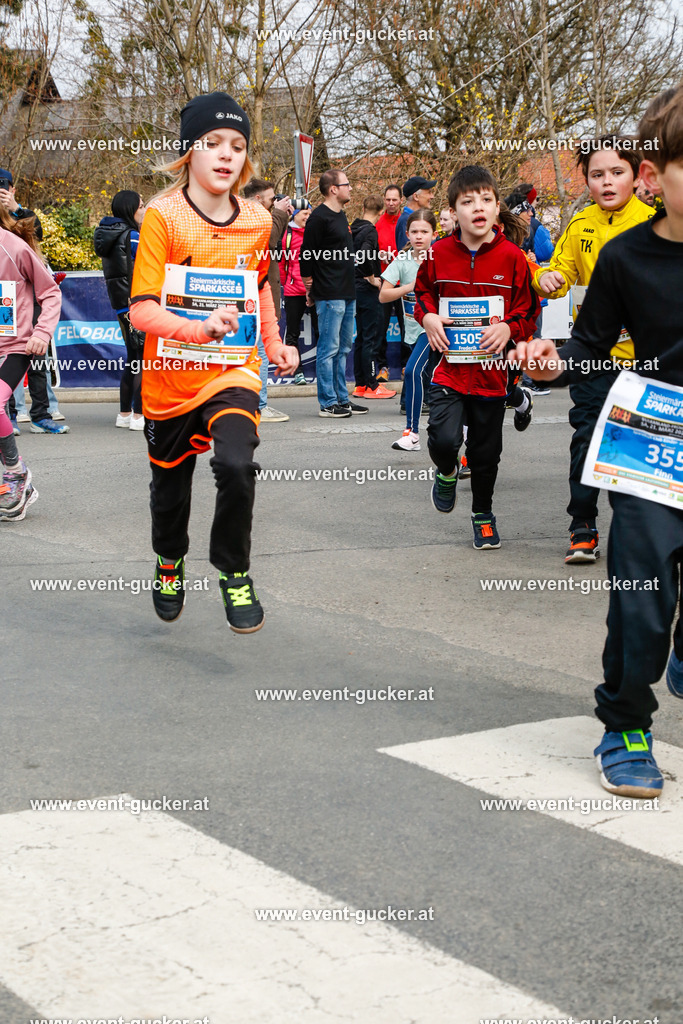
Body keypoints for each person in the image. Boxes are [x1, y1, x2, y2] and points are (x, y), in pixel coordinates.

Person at [511, 85, 683, 798]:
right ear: (653, 175)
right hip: (650, 440)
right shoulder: (624, 257)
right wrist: (550, 363)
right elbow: (588, 345)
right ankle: (625, 725)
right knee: (641, 597)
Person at [128, 91, 298, 632]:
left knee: (236, 465)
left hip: (233, 371)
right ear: (189, 153)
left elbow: (260, 288)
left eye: (237, 145)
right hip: (170, 378)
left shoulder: (258, 220)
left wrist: (274, 343)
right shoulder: (163, 217)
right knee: (169, 491)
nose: (226, 154)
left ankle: (234, 571)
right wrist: (198, 328)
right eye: (212, 142)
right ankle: (169, 562)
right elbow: (141, 311)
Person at [532, 135, 653, 564]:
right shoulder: (580, 223)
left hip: (645, 362)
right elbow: (557, 272)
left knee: (636, 443)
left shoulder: (656, 222)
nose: (607, 182)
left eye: (617, 172)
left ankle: (638, 532)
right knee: (587, 435)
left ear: (636, 176)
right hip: (592, 357)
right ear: (585, 180)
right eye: (597, 174)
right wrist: (546, 279)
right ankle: (582, 525)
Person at [415, 165, 540, 549]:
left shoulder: (513, 257)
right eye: (468, 202)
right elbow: (423, 294)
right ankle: (446, 471)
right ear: (453, 211)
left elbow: (529, 311)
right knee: (443, 440)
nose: (478, 207)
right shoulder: (437, 254)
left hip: (492, 374)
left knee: (486, 455)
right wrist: (428, 316)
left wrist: (510, 329)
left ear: (497, 206)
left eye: (486, 199)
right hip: (448, 370)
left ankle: (483, 515)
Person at [0, 205, 62, 520]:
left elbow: (50, 293)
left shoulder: (12, 247)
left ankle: (16, 473)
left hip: (16, 346)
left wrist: (42, 332)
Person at [0, 168, 69, 433]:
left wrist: (14, 208)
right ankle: (9, 416)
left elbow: (35, 233)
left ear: (13, 188)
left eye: (4, 186)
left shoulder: (21, 222)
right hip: (7, 302)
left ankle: (41, 413)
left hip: (24, 302)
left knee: (37, 358)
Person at [300, 169, 366, 417]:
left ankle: (341, 399)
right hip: (329, 293)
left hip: (347, 292)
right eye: (347, 184)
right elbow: (306, 255)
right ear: (333, 189)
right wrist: (310, 287)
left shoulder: (341, 215)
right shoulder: (318, 218)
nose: (351, 188)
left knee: (343, 349)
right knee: (328, 349)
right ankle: (327, 403)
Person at [381, 209, 437, 451]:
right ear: (407, 234)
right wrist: (410, 287)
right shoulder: (402, 261)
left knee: (414, 371)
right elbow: (383, 295)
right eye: (414, 231)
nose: (419, 236)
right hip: (414, 330)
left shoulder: (441, 258)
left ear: (434, 234)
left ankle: (412, 433)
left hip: (437, 329)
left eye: (424, 231)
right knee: (429, 380)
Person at [94, 190, 146, 430]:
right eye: (141, 206)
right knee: (144, 361)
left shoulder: (109, 235)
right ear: (130, 209)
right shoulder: (133, 236)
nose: (144, 210)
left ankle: (125, 413)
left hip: (121, 305)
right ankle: (139, 415)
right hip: (138, 303)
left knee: (133, 359)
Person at [242, 176, 292, 422]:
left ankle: (253, 403)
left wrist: (282, 217)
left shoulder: (259, 216)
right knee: (260, 350)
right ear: (258, 198)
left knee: (257, 349)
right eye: (272, 199)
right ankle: (259, 405)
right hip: (253, 292)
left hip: (259, 290)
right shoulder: (250, 218)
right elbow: (267, 240)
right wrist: (279, 215)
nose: (275, 202)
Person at [351, 195, 396, 400]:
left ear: (363, 208)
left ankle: (360, 384)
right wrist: (371, 277)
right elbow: (363, 256)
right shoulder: (370, 231)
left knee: (361, 337)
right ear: (380, 213)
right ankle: (371, 385)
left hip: (354, 288)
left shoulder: (353, 228)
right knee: (370, 337)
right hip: (367, 290)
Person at [280, 198, 316, 385]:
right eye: (304, 213)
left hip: (316, 290)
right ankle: (298, 371)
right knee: (292, 333)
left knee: (321, 331)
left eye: (310, 213)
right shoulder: (287, 235)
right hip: (294, 291)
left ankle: (323, 371)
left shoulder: (315, 233)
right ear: (295, 215)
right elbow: (281, 263)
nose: (308, 217)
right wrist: (287, 282)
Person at [376, 184, 405, 381]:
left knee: (407, 326)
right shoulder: (378, 224)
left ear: (401, 200)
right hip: (384, 282)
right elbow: (370, 251)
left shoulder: (406, 222)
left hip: (404, 283)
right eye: (388, 199)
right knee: (381, 327)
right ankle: (382, 367)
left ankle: (406, 365)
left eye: (395, 199)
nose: (391, 203)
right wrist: (379, 254)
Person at [395, 176, 436, 251]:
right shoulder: (405, 221)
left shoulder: (421, 218)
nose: (432, 196)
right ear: (416, 196)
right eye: (429, 192)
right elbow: (407, 252)